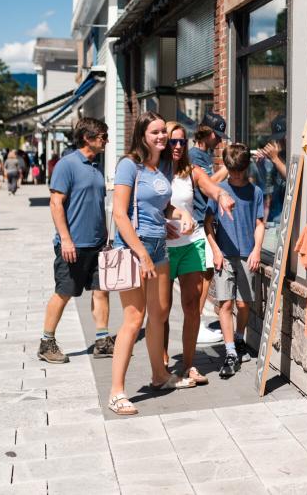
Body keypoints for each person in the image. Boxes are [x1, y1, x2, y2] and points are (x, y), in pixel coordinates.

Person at [108, 111, 235, 416]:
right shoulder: (129, 165)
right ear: (142, 135)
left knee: (160, 313)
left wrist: (181, 215)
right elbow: (120, 214)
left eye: (163, 132)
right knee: (133, 318)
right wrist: (141, 253)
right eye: (156, 133)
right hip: (133, 248)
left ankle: (159, 375)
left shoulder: (161, 166)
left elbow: (163, 206)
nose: (162, 137)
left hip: (158, 246)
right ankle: (116, 392)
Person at [38, 118, 115, 365]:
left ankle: (102, 341)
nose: (106, 141)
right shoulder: (67, 165)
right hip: (73, 245)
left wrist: (105, 236)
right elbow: (55, 203)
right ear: (87, 137)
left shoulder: (95, 165)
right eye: (102, 136)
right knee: (64, 292)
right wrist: (66, 239)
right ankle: (46, 342)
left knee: (101, 291)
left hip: (97, 243)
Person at [162, 121, 234, 384]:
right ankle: (163, 365)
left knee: (192, 306)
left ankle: (189, 365)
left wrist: (221, 196)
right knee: (162, 309)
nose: (179, 146)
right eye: (173, 141)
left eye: (182, 141)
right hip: (162, 249)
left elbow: (209, 185)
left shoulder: (190, 170)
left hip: (191, 245)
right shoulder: (152, 172)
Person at [205, 143, 265, 379]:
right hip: (225, 255)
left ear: (246, 167)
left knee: (243, 304)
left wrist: (257, 250)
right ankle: (230, 351)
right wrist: (216, 250)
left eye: (240, 170)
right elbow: (207, 223)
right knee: (225, 304)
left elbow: (260, 224)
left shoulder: (255, 192)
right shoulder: (219, 190)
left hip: (247, 254)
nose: (237, 175)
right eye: (233, 170)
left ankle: (239, 339)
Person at [190, 117, 229, 343]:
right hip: (198, 221)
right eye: (218, 136)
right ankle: (196, 324)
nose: (219, 141)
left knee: (207, 273)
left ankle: (197, 321)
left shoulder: (203, 155)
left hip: (203, 219)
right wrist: (226, 168)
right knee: (204, 273)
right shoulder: (195, 156)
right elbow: (208, 185)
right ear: (208, 133)